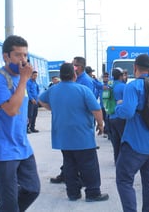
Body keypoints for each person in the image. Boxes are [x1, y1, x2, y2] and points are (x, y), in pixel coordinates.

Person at [39, 63, 109, 202]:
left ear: (60, 76)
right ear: (74, 75)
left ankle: (73, 193)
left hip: (63, 136)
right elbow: (96, 109)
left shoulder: (53, 90)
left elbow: (41, 100)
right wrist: (100, 125)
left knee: (69, 165)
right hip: (82, 136)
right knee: (89, 165)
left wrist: (53, 108)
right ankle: (93, 193)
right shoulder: (82, 90)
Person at [0, 35, 40, 212]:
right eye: (18, 55)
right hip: (4, 149)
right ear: (6, 57)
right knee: (9, 204)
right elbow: (11, 110)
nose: (23, 60)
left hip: (22, 145)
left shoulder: (21, 78)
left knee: (33, 189)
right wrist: (24, 79)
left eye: (25, 55)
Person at [115, 54, 149, 212]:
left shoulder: (133, 86)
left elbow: (127, 112)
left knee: (124, 180)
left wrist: (118, 107)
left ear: (135, 67)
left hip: (135, 143)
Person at [50, 56, 96, 184]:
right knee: (70, 153)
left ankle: (76, 180)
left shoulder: (86, 81)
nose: (73, 66)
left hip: (80, 122)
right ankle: (68, 176)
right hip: (70, 121)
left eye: (74, 64)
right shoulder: (73, 81)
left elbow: (91, 104)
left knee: (80, 155)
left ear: (80, 67)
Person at [107, 67, 126, 163]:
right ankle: (123, 161)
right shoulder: (123, 86)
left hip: (111, 116)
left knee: (115, 141)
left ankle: (117, 160)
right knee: (124, 139)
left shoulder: (110, 86)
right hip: (120, 117)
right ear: (120, 76)